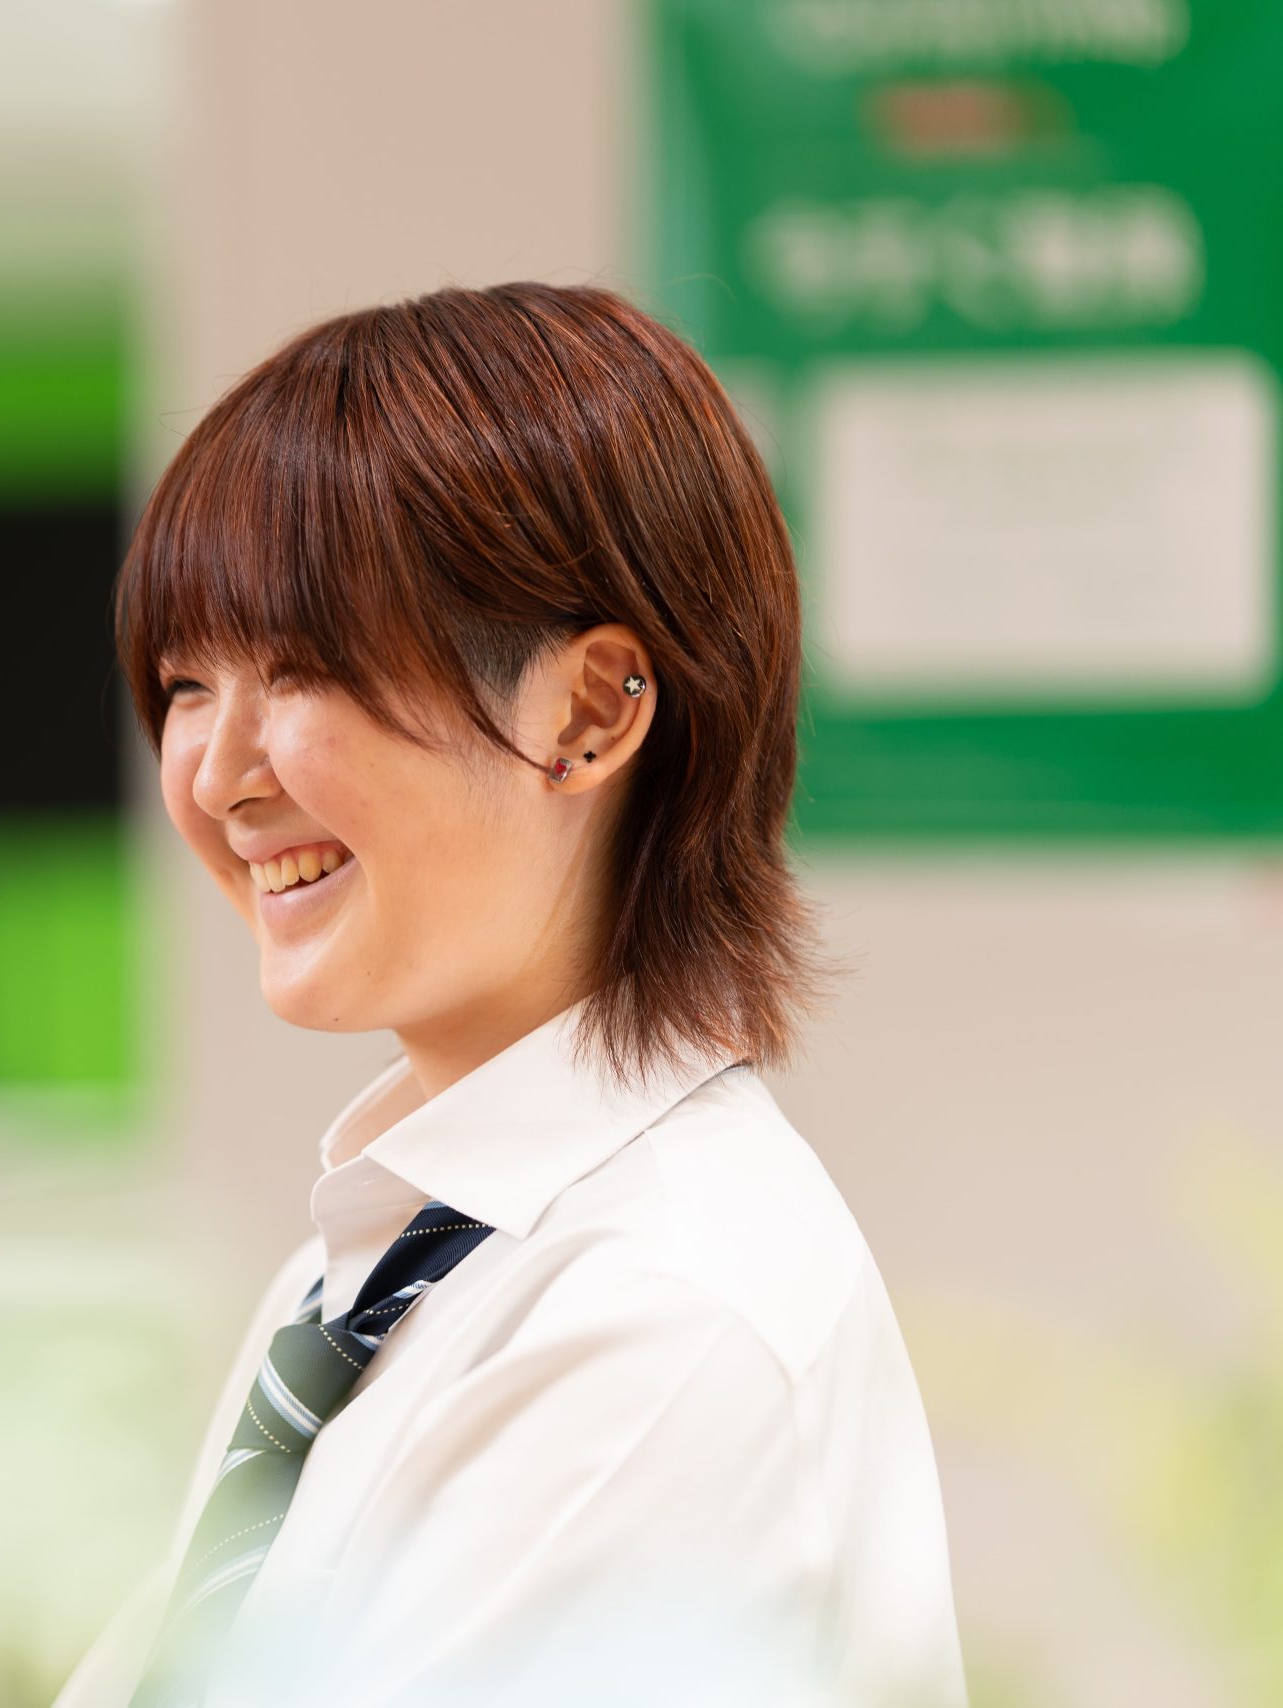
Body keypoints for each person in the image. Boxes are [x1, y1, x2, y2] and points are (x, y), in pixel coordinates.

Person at [50, 283, 968, 1708]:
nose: (219, 775)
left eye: (301, 668)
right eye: (184, 683)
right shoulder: (377, 1271)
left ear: (589, 713)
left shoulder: (655, 1315)